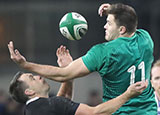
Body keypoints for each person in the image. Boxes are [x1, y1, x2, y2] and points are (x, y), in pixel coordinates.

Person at [8, 3, 157, 114]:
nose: (105, 26)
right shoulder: (145, 39)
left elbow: (63, 75)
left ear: (121, 29)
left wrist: (25, 65)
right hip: (149, 111)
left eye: (109, 23)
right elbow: (130, 20)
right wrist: (115, 10)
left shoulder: (103, 52)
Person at [9, 44, 148, 115]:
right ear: (29, 92)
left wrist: (69, 71)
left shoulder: (33, 109)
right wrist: (127, 95)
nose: (39, 76)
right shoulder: (49, 105)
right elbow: (96, 113)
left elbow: (63, 101)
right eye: (32, 78)